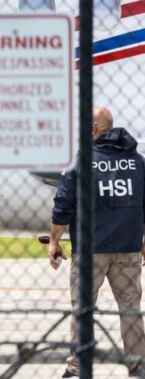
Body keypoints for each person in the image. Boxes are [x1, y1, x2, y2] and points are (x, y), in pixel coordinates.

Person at [50, 106, 145, 378]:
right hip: (127, 249)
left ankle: (78, 367)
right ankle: (138, 365)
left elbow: (63, 204)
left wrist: (54, 241)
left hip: (91, 251)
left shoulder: (81, 161)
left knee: (82, 311)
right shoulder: (137, 161)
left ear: (93, 129)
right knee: (130, 310)